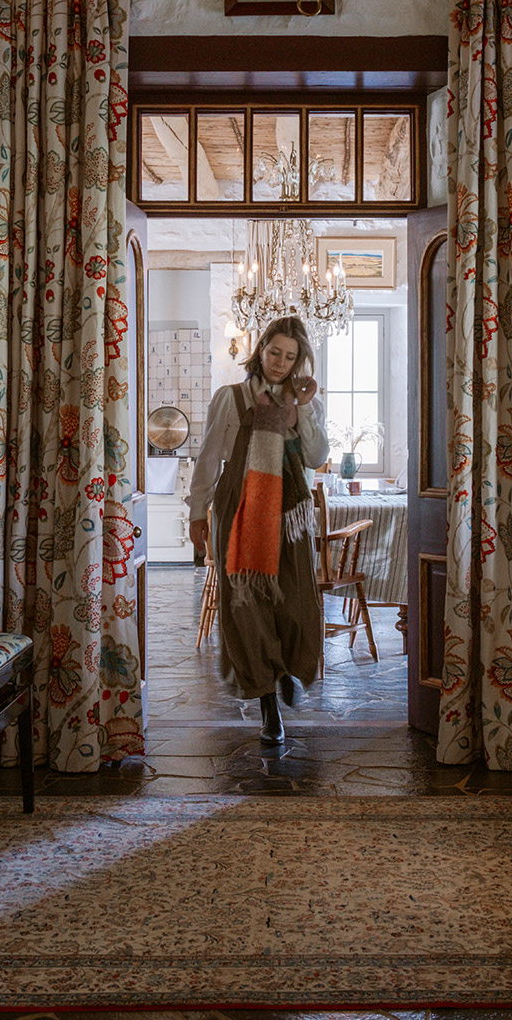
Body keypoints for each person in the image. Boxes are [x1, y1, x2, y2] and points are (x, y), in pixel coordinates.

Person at [187, 315, 329, 745]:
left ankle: (284, 667)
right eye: (274, 353)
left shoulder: (304, 403)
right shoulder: (229, 398)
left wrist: (302, 410)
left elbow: (316, 456)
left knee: (295, 600)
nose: (280, 364)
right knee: (246, 604)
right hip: (240, 504)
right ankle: (267, 701)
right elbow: (209, 459)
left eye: (290, 356)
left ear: (300, 359)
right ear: (260, 349)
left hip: (290, 511)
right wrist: (198, 513)